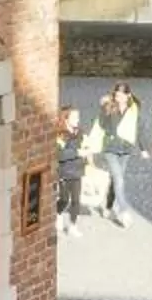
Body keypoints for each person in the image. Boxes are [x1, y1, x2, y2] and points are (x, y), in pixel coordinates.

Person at [94, 77, 140, 227]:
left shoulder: (133, 110)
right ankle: (124, 211)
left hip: (125, 150)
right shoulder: (109, 107)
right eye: (116, 94)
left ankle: (107, 205)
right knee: (119, 179)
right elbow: (100, 123)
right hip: (110, 149)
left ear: (128, 95)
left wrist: (143, 149)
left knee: (116, 180)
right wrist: (103, 107)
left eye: (121, 95)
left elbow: (138, 130)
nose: (118, 97)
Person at [55, 107, 86, 235]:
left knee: (76, 200)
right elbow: (59, 155)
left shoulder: (80, 132)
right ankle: (58, 213)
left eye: (78, 117)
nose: (78, 120)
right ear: (66, 118)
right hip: (64, 172)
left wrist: (87, 152)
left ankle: (73, 225)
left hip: (77, 170)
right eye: (75, 117)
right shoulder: (60, 135)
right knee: (64, 199)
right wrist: (77, 152)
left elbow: (84, 145)